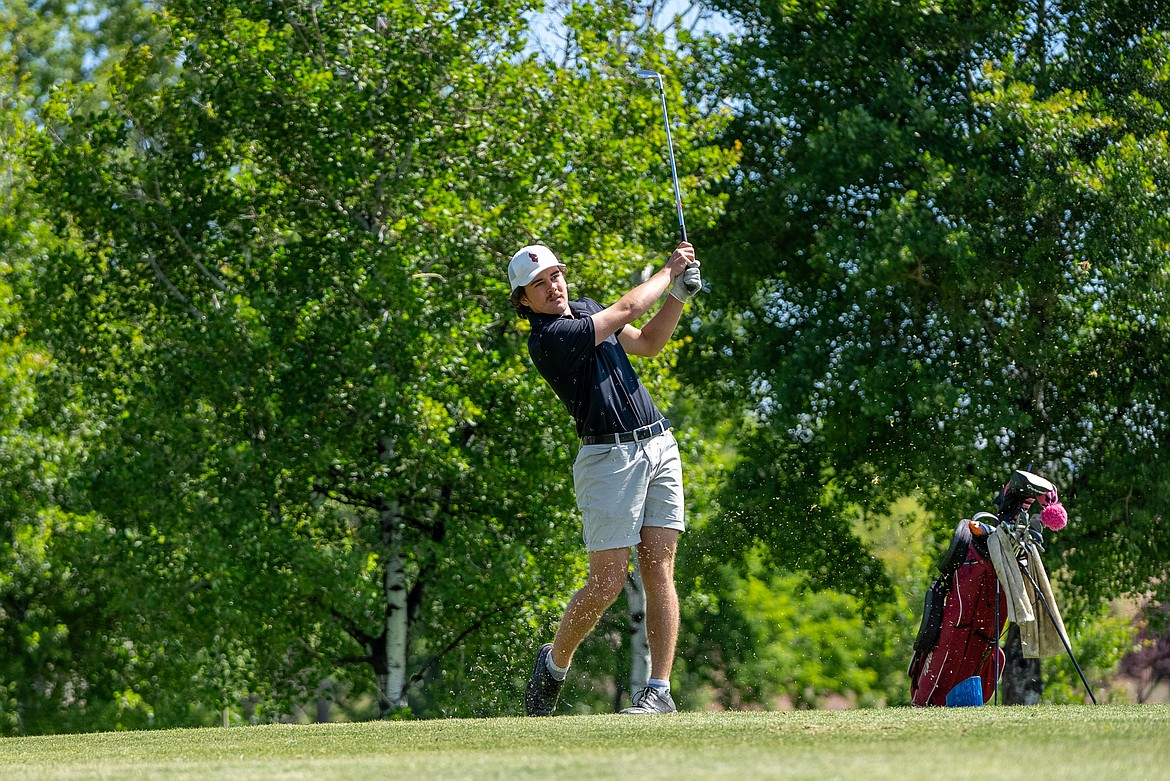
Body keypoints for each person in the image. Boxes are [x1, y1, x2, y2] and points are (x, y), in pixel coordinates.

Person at [507, 241, 701, 716]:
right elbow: (629, 307)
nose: (552, 286)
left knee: (659, 566)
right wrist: (670, 270)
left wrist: (678, 295)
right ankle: (554, 664)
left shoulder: (588, 309)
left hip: (659, 445)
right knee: (608, 582)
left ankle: (659, 690)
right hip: (607, 460)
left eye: (555, 275)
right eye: (538, 284)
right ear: (524, 301)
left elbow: (649, 343)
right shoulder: (549, 337)